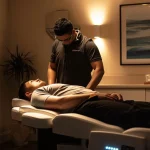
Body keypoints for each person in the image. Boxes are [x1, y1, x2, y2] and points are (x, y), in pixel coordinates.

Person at [19, 79, 150, 130]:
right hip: (86, 105)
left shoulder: (48, 89)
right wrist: (94, 95)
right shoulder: (36, 94)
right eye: (31, 81)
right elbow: (61, 103)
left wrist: (103, 95)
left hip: (93, 99)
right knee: (134, 112)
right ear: (28, 94)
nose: (35, 79)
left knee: (136, 106)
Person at [47, 18, 104, 90]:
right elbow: (52, 67)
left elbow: (99, 69)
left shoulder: (87, 44)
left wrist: (87, 92)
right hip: (61, 93)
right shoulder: (56, 43)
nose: (64, 42)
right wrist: (51, 88)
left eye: (67, 39)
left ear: (73, 31)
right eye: (61, 40)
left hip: (81, 93)